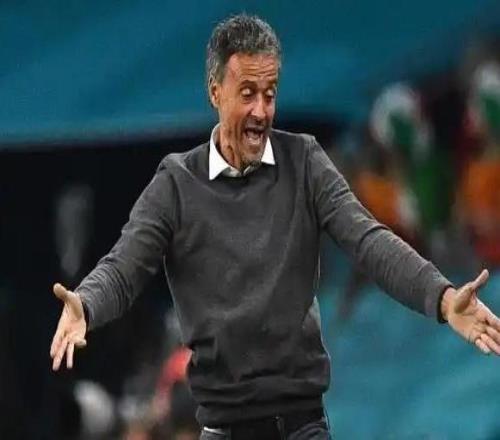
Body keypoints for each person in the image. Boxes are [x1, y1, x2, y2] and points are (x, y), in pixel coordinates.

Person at [50, 14, 500, 440]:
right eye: (248, 93)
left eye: (270, 94)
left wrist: (442, 299)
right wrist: (86, 304)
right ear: (216, 93)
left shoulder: (304, 162)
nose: (261, 111)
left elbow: (369, 242)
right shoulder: (176, 183)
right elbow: (126, 265)